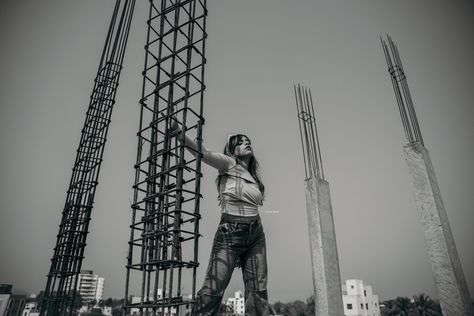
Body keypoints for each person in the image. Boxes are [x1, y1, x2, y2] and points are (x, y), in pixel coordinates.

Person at [171, 122, 270, 316]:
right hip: (230, 235)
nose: (246, 143)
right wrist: (181, 134)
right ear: (232, 151)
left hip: (256, 234)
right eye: (240, 142)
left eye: (248, 141)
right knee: (212, 291)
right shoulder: (228, 164)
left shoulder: (253, 176)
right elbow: (205, 153)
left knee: (258, 291)